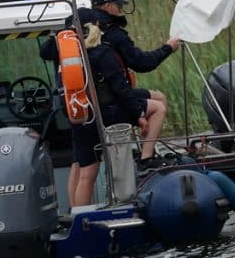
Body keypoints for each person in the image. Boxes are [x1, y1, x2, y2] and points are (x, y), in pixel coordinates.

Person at [68, 21, 168, 206]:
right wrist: (138, 113)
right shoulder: (103, 53)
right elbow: (120, 88)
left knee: (84, 171)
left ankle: (78, 217)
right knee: (158, 108)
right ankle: (146, 159)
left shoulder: (69, 58)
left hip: (79, 116)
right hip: (107, 112)